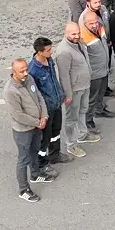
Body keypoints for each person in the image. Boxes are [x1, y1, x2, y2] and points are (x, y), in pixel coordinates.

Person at [5, 59, 52, 201]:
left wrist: (44, 115)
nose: (26, 73)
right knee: (23, 159)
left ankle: (35, 174)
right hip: (23, 131)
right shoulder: (10, 91)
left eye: (26, 69)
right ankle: (23, 189)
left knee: (34, 151)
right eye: (22, 71)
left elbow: (39, 97)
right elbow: (18, 115)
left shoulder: (29, 78)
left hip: (37, 126)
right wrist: (38, 122)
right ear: (13, 72)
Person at [53, 22, 93, 155]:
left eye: (78, 32)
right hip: (74, 90)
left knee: (82, 111)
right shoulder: (63, 52)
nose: (77, 36)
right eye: (73, 34)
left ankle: (82, 134)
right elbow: (63, 76)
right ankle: (71, 144)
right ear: (65, 33)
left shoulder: (78, 43)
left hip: (84, 85)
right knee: (72, 118)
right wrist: (68, 95)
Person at [28, 37, 66, 170]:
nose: (51, 52)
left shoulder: (49, 60)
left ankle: (55, 155)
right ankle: (41, 164)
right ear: (39, 52)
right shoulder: (33, 70)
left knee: (56, 131)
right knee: (45, 137)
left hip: (56, 103)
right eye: (48, 50)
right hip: (46, 109)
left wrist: (60, 95)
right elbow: (34, 94)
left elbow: (53, 79)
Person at [80, 2, 112, 126]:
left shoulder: (100, 28)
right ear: (84, 23)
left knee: (101, 94)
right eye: (91, 23)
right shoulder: (82, 38)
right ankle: (88, 121)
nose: (94, 25)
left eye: (95, 22)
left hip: (104, 69)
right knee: (92, 98)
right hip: (94, 74)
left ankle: (99, 110)